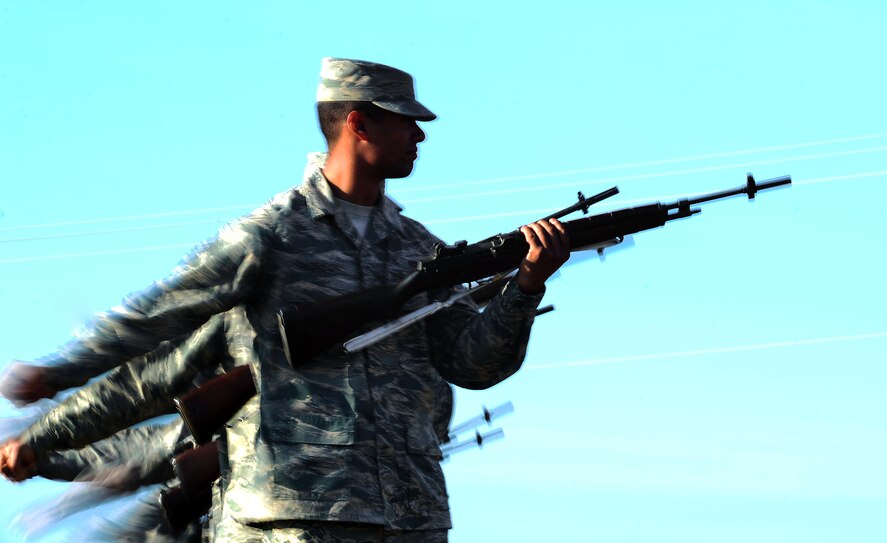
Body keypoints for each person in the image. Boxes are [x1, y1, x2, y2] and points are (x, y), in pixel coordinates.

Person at [1, 57, 569, 542]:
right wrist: (54, 387)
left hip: (410, 518)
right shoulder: (270, 238)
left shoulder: (422, 251)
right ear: (358, 124)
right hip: (289, 519)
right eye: (406, 123)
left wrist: (524, 287)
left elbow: (473, 364)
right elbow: (153, 329)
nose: (420, 135)